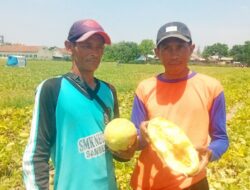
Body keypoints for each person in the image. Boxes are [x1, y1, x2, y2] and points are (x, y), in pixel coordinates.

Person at [22, 19, 121, 190]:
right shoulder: (52, 89)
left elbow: (115, 146)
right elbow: (36, 153)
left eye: (99, 47)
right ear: (69, 47)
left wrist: (125, 152)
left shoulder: (109, 91)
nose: (95, 53)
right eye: (87, 46)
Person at [130, 21, 229, 190]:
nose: (173, 54)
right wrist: (142, 138)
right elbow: (136, 141)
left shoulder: (211, 87)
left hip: (193, 182)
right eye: (167, 48)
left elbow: (221, 138)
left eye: (180, 47)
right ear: (157, 52)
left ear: (191, 49)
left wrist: (211, 152)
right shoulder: (144, 88)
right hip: (149, 183)